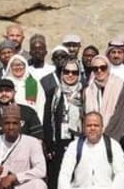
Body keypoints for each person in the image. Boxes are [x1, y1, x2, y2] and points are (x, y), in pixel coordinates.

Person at [0, 104, 47, 189]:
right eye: (7, 123)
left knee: (39, 184)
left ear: (20, 124)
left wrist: (14, 177)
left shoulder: (32, 142)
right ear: (2, 125)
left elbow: (41, 170)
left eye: (15, 123)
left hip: (21, 185)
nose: (11, 127)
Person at [57, 112, 124, 189]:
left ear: (102, 127)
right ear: (84, 128)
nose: (92, 128)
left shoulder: (113, 146)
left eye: (96, 125)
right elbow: (64, 174)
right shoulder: (74, 146)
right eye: (89, 125)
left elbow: (121, 173)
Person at [43, 58, 84, 189]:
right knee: (57, 179)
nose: (70, 75)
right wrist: (49, 145)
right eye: (66, 71)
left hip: (79, 142)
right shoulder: (53, 93)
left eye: (74, 72)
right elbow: (47, 119)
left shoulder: (85, 93)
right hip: (58, 144)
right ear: (61, 73)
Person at [0, 79, 43, 144]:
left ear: (14, 92)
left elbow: (38, 139)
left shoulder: (28, 112)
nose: (4, 93)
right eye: (0, 91)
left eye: (7, 90)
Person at [83, 56, 124, 143]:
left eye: (103, 68)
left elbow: (119, 116)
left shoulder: (120, 86)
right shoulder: (88, 90)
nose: (99, 71)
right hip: (93, 138)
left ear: (108, 68)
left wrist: (105, 139)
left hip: (116, 137)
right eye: (95, 68)